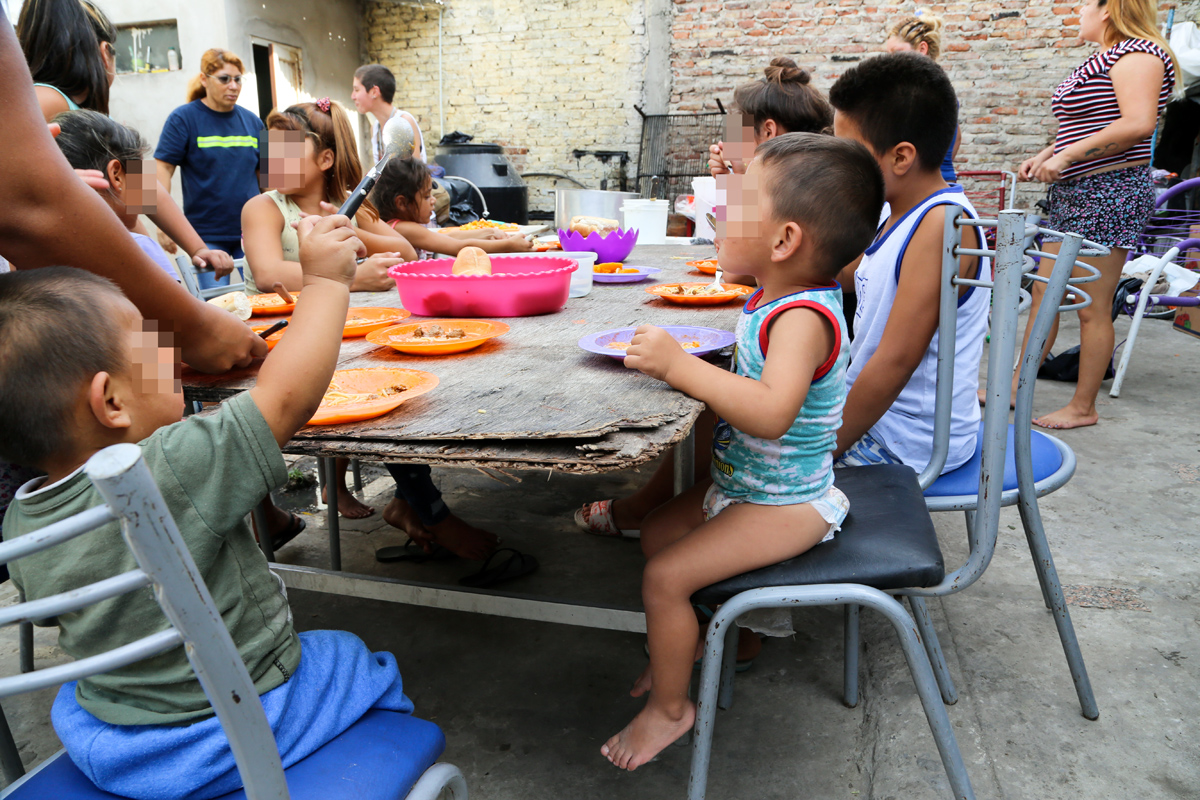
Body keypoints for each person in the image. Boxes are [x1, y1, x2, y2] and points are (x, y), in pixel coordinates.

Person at [0, 217, 422, 800]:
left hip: (117, 745)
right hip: (225, 734)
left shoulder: (21, 520)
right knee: (354, 658)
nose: (170, 352)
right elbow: (286, 397)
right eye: (152, 346)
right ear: (112, 400)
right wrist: (326, 283)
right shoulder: (168, 464)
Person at [600, 133, 884, 771]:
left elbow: (772, 412)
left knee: (663, 578)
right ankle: (687, 646)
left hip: (786, 504)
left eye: (738, 202)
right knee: (657, 535)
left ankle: (672, 708)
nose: (719, 210)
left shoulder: (803, 318)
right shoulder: (770, 298)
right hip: (745, 486)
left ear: (783, 241)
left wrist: (678, 368)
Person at [577, 57, 834, 541]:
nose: (722, 139)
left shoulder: (813, 229)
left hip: (790, 467)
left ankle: (657, 509)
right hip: (777, 439)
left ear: (768, 131)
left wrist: (736, 182)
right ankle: (663, 508)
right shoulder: (806, 201)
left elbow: (734, 272)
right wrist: (732, 179)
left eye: (731, 130)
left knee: (707, 384)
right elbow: (738, 260)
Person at [1010, 0, 1174, 429]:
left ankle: (1084, 407)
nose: (1079, 9)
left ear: (1108, 8)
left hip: (1110, 191)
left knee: (1091, 307)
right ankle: (1013, 388)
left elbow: (1138, 123)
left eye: (1086, 2)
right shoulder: (1102, 58)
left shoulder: (1139, 53)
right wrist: (1049, 153)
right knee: (1045, 295)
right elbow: (1081, 125)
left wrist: (1067, 157)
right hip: (1075, 192)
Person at [829, 52, 989, 473]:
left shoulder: (943, 224)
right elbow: (843, 274)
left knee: (745, 467)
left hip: (905, 439)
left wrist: (821, 449)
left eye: (848, 151)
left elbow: (894, 361)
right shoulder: (893, 208)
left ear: (901, 157)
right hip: (872, 416)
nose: (837, 164)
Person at [16, 0, 235, 280]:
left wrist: (195, 247)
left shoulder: (77, 109)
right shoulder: (48, 101)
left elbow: (141, 190)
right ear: (105, 52)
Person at [242, 98, 416, 296]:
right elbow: (268, 275)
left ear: (325, 159)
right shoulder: (264, 207)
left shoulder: (349, 203)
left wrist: (349, 231)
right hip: (274, 324)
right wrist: (355, 277)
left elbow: (408, 255)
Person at [155, 49, 265, 288]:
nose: (233, 86)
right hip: (205, 237)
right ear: (205, 79)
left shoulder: (254, 121)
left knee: (266, 298)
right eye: (225, 79)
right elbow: (161, 169)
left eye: (238, 79)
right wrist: (160, 224)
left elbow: (274, 180)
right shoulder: (182, 119)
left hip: (253, 231)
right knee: (217, 306)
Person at [54, 110, 179, 281]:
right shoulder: (140, 247)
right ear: (116, 176)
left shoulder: (37, 249)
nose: (146, 190)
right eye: (140, 176)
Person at [369, 157, 533, 256]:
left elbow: (448, 238)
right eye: (426, 196)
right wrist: (508, 246)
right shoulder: (402, 228)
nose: (433, 200)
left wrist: (489, 232)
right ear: (402, 203)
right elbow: (457, 247)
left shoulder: (402, 226)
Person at [884, 13, 960, 183]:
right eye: (889, 55)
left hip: (924, 190)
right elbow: (956, 138)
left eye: (897, 53)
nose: (891, 61)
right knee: (954, 209)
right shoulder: (945, 90)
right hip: (947, 185)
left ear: (922, 49)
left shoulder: (916, 93)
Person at [351, 64, 425, 165]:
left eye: (356, 90)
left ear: (374, 92)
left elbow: (416, 172)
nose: (353, 96)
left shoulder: (404, 121)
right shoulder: (375, 129)